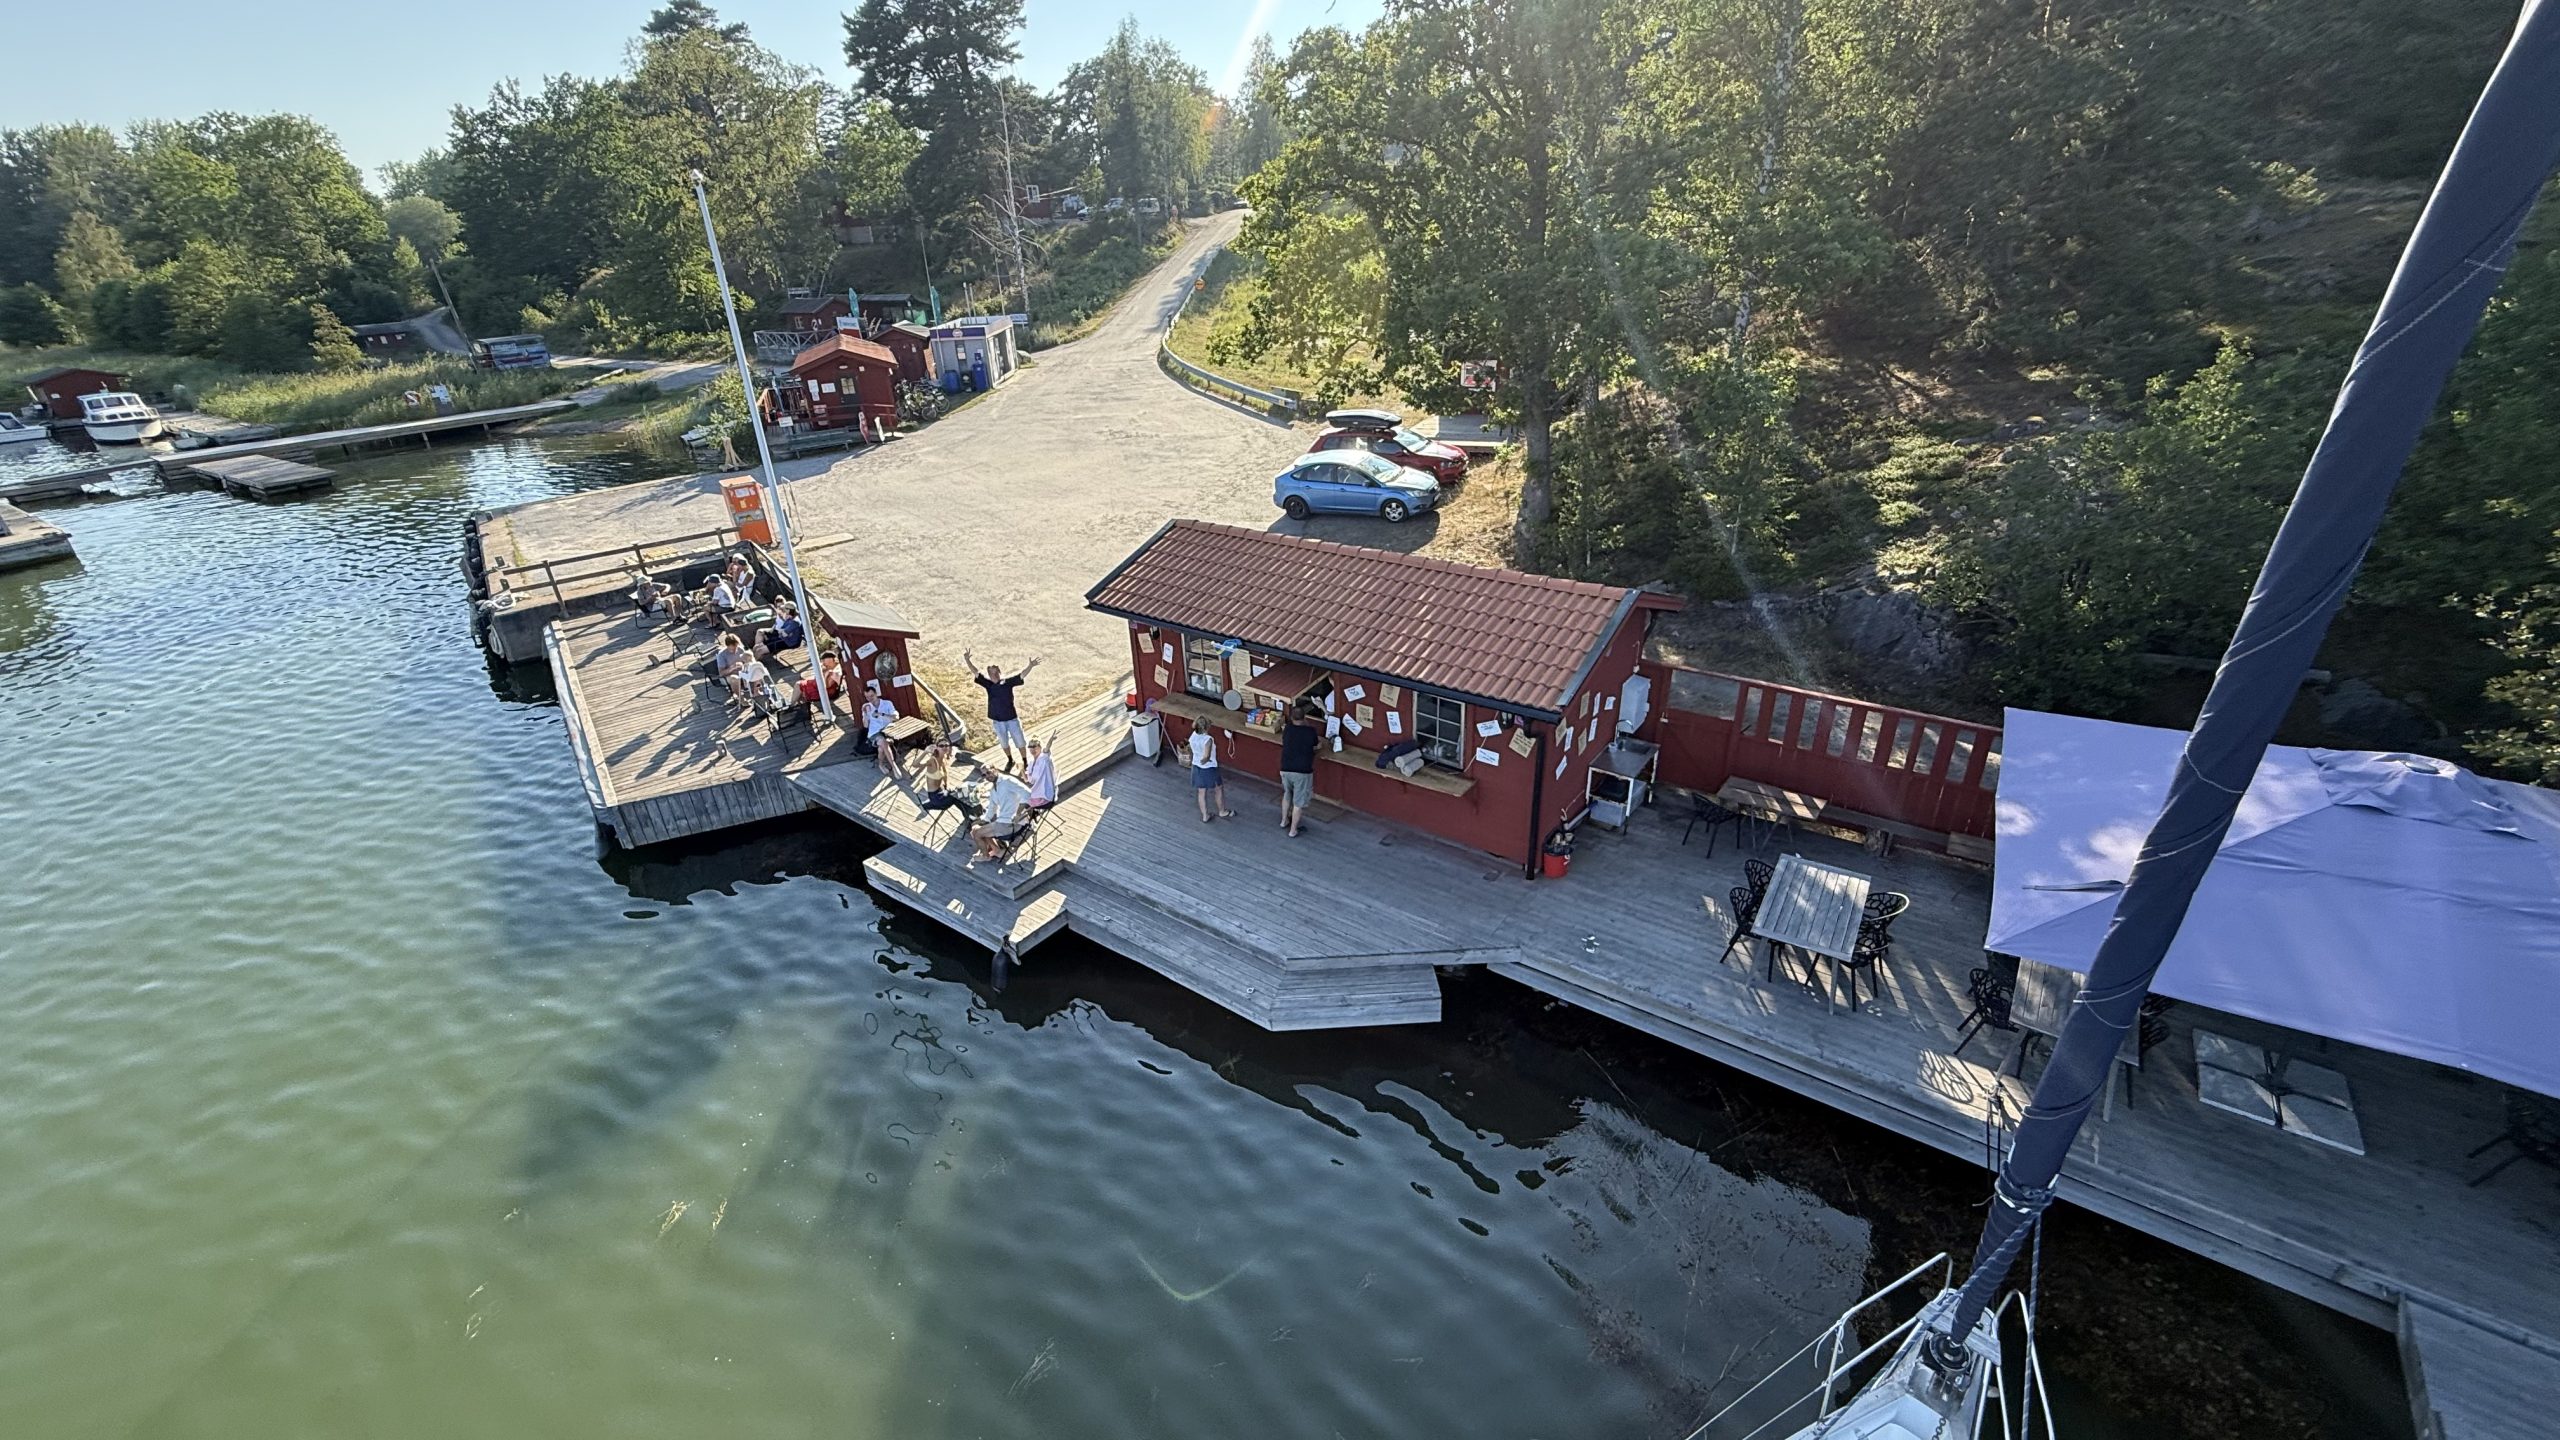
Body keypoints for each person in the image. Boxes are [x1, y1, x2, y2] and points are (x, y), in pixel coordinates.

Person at [963, 648, 1042, 770]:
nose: (994, 675)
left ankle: (1025, 761)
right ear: (989, 675)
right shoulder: (988, 684)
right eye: (991, 673)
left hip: (1011, 719)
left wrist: (1030, 666)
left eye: (995, 673)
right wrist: (967, 660)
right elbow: (976, 672)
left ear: (999, 672)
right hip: (998, 721)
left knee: (1020, 741)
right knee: (1004, 743)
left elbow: (1022, 675)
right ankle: (1010, 759)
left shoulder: (1007, 683)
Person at [968, 770, 1036, 865]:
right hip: (1002, 821)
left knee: (978, 834)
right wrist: (982, 820)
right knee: (974, 829)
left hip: (1012, 824)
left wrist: (1018, 813)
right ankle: (997, 851)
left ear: (995, 770)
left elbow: (1028, 793)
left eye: (988, 772)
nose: (987, 775)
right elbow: (992, 808)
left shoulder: (1007, 780)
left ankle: (985, 856)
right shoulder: (993, 790)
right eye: (984, 775)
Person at [1277, 700, 1322, 837]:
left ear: (1291, 718)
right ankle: (1293, 830)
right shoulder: (1310, 731)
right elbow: (1317, 745)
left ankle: (1284, 821)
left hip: (1285, 768)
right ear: (1304, 717)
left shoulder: (1287, 729)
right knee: (1298, 802)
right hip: (1302, 770)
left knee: (1287, 794)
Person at [1189, 722, 1233, 823]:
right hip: (1209, 768)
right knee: (1218, 788)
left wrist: (1197, 759)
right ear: (1206, 728)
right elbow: (1206, 756)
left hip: (1196, 767)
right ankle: (1222, 811)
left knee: (1201, 792)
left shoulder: (1193, 735)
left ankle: (1205, 816)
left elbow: (1192, 749)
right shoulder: (1208, 739)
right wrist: (1205, 760)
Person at [862, 684, 902, 774]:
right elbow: (865, 726)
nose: (870, 699)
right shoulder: (867, 707)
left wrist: (881, 714)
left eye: (871, 696)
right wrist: (865, 714)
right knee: (883, 741)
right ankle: (894, 766)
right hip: (875, 732)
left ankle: (881, 764)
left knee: (881, 748)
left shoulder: (887, 703)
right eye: (867, 697)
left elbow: (896, 717)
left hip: (888, 730)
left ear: (876, 694)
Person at [1022, 736, 1057, 809]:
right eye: (1030, 747)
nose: (1033, 749)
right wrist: (1021, 770)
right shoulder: (1031, 763)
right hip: (1035, 793)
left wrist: (1050, 740)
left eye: (1035, 747)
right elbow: (1029, 781)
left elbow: (1046, 750)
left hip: (1044, 796)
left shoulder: (1044, 759)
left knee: (1022, 802)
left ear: (1040, 747)